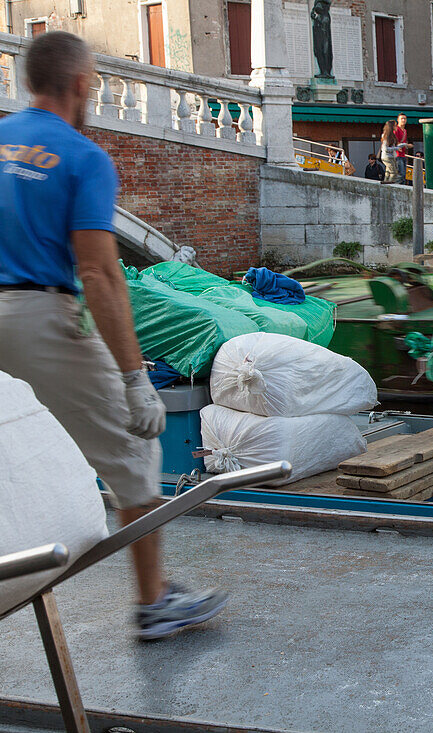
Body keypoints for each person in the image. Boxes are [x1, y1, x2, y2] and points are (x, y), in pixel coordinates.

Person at [0, 32, 227, 640]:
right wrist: (134, 380)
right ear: (80, 84)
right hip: (38, 315)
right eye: (94, 81)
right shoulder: (82, 158)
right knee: (133, 451)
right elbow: (100, 273)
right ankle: (153, 602)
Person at [394, 112, 411, 184]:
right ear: (398, 120)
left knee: (403, 175)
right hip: (397, 154)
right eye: (402, 119)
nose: (403, 120)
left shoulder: (405, 131)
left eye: (405, 119)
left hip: (403, 154)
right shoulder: (396, 129)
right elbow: (394, 141)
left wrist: (406, 145)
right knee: (401, 175)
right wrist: (404, 145)